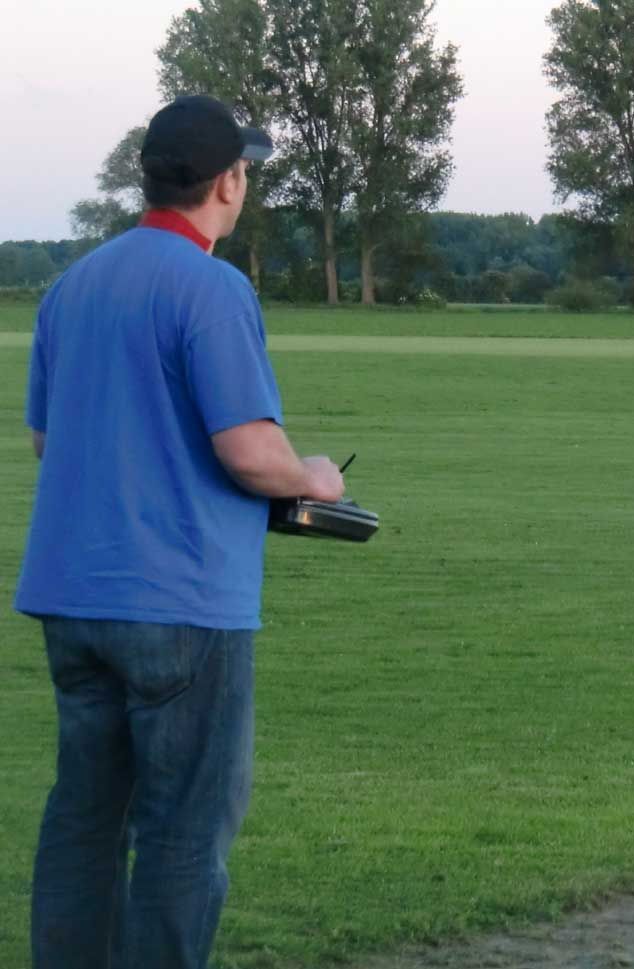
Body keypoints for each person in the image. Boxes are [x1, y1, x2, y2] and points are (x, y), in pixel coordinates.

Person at [15, 94, 345, 969]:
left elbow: (48, 438)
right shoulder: (212, 286)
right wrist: (313, 477)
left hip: (71, 596)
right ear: (228, 182)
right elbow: (248, 449)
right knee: (182, 830)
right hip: (184, 603)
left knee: (84, 819)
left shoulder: (71, 285)